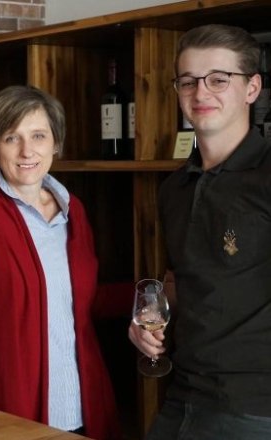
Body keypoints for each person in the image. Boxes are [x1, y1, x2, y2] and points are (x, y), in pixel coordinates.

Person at [0, 85, 121, 439]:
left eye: (38, 136)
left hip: (81, 402)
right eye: (11, 137)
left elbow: (80, 300)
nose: (27, 151)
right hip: (8, 402)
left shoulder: (73, 210)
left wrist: (156, 293)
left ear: (55, 143)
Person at [128, 24, 271, 440]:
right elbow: (182, 280)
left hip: (254, 409)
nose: (201, 93)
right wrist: (148, 323)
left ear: (252, 88)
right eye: (188, 81)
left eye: (219, 80)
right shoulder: (175, 188)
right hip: (183, 395)